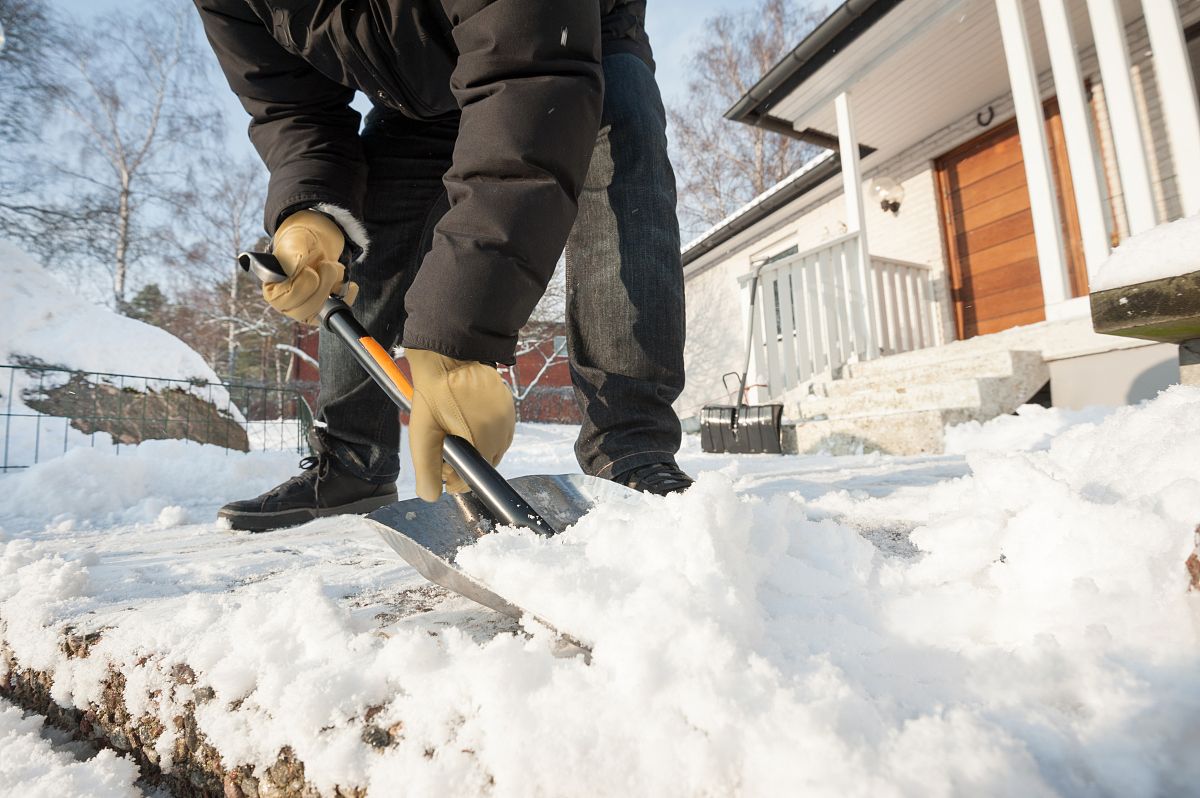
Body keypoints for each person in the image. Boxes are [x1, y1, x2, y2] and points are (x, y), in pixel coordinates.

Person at [194, 0, 693, 532]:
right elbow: (292, 109)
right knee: (378, 227)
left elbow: (528, 77)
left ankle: (631, 448)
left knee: (618, 159)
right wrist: (310, 209)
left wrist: (457, 335)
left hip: (570, 38)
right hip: (419, 87)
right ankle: (352, 458)